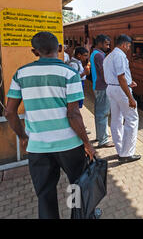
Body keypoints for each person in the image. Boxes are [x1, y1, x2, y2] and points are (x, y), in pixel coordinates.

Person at [5, 32, 96, 219]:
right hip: (70, 145)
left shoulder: (21, 74)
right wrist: (87, 143)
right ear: (60, 49)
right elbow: (73, 114)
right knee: (76, 186)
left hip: (38, 147)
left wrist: (23, 137)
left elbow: (9, 112)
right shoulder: (70, 73)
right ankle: (78, 216)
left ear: (34, 51)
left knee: (45, 194)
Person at [103, 34, 141, 163]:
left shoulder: (109, 57)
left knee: (116, 119)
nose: (129, 49)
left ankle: (120, 150)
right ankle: (127, 153)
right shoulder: (120, 56)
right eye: (129, 46)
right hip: (120, 90)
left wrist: (129, 82)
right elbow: (121, 77)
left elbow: (118, 77)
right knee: (132, 119)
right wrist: (130, 97)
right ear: (124, 44)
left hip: (111, 89)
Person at [90, 35, 114, 148]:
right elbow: (104, 72)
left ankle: (100, 136)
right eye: (106, 44)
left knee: (99, 112)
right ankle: (103, 140)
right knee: (103, 113)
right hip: (102, 86)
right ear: (99, 43)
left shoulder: (94, 53)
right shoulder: (99, 55)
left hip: (97, 85)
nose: (108, 46)